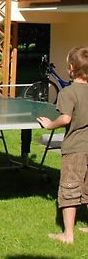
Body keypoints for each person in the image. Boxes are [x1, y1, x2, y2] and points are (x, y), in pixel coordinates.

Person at [37, 46, 88, 244]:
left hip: (75, 149)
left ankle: (68, 234)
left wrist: (50, 125)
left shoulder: (68, 92)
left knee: (70, 189)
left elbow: (66, 118)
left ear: (71, 69)